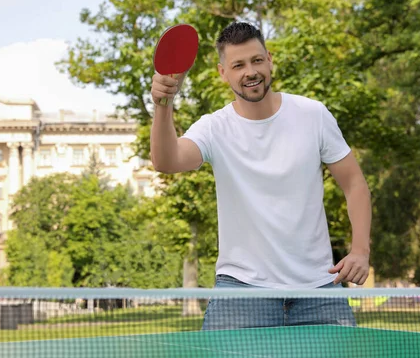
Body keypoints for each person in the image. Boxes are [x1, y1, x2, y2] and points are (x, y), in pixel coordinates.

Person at [149, 22, 371, 330]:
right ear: (222, 72)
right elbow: (166, 161)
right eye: (237, 65)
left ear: (269, 59)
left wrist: (360, 250)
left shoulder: (313, 114)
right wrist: (163, 106)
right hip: (241, 292)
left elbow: (354, 183)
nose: (249, 72)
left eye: (256, 60)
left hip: (318, 289)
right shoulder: (214, 127)